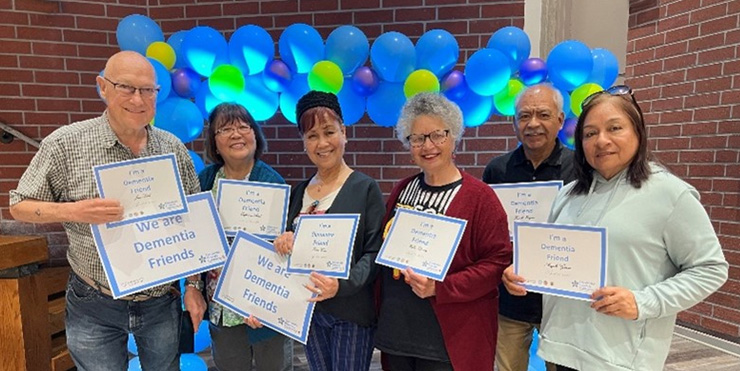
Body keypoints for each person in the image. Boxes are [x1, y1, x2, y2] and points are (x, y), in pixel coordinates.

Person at [503, 85, 728, 371]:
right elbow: (553, 259)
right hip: (561, 350)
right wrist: (522, 273)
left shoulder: (670, 194)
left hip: (621, 358)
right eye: (590, 133)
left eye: (615, 128)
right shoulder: (569, 195)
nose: (601, 141)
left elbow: (711, 268)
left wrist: (643, 301)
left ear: (638, 132)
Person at [8, 51, 205, 371]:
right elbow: (19, 206)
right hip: (94, 301)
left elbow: (192, 224)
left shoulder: (173, 148)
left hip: (160, 301)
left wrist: (193, 286)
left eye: (148, 90)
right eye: (126, 87)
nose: (138, 99)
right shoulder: (65, 144)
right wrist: (75, 211)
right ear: (103, 87)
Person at [374, 93, 512, 371]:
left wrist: (442, 287)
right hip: (398, 333)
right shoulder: (402, 189)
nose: (428, 146)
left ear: (453, 137)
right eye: (417, 138)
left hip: (450, 339)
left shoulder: (479, 198)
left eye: (437, 135)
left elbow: (496, 263)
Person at [270, 90, 385, 371]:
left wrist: (341, 285)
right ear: (303, 142)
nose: (322, 143)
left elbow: (374, 253)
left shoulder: (365, 188)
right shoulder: (300, 193)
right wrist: (284, 241)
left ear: (344, 132)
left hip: (351, 312)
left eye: (329, 132)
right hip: (309, 312)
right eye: (311, 136)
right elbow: (289, 250)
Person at [482, 84, 575, 371]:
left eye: (543, 115)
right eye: (524, 116)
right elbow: (490, 236)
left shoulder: (581, 168)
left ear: (560, 120)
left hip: (562, 302)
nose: (533, 124)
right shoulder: (497, 170)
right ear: (515, 123)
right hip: (511, 298)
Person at [198, 102, 293, 370]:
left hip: (264, 304)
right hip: (222, 304)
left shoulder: (272, 182)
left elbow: (283, 249)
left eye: (243, 126)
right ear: (215, 143)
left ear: (255, 134)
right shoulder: (205, 181)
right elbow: (195, 238)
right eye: (226, 129)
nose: (237, 134)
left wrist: (263, 299)